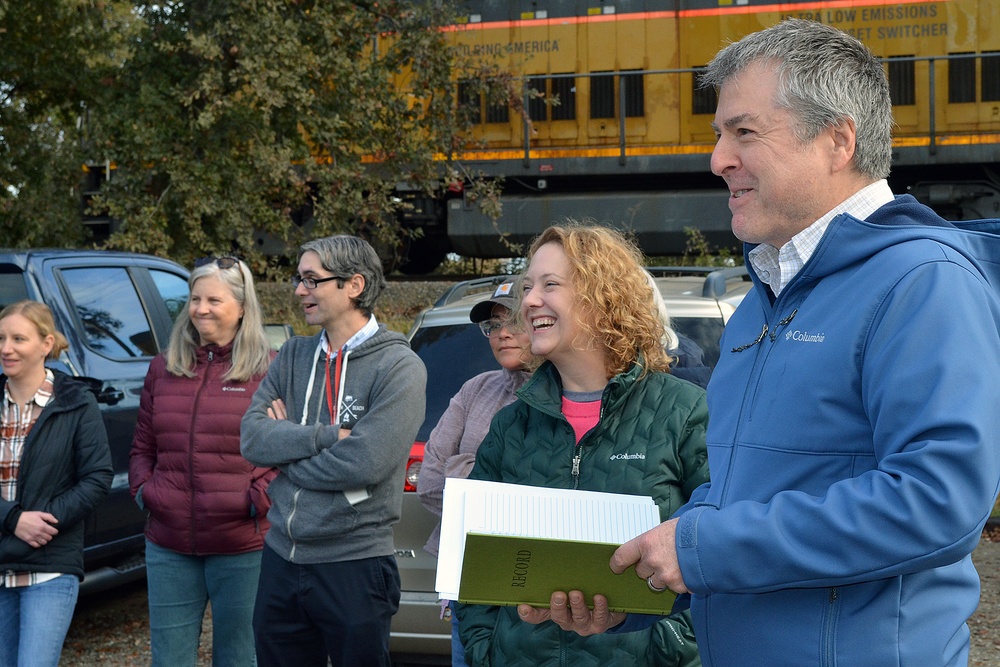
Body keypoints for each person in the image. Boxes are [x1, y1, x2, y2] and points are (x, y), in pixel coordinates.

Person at [601, 19, 1000, 667]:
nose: (718, 158)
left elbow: (938, 500)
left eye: (744, 131)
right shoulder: (759, 303)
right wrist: (638, 583)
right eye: (718, 135)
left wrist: (702, 546)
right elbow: (738, 501)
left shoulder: (923, 280)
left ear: (837, 139)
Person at [455, 224, 709, 666]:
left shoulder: (685, 412)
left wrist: (671, 645)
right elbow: (472, 562)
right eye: (527, 286)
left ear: (603, 297)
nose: (530, 300)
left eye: (550, 285)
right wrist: (486, 650)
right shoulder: (511, 425)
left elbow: (715, 544)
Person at [240, 235, 427, 667]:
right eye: (298, 279)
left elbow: (364, 463)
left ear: (354, 285)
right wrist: (324, 437)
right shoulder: (292, 354)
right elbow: (251, 439)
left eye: (311, 280)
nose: (299, 290)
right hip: (281, 558)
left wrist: (284, 451)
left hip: (355, 563)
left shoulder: (399, 366)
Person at [129, 256, 275, 666]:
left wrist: (257, 500)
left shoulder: (269, 369)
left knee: (239, 657)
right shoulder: (163, 367)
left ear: (243, 306)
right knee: (169, 658)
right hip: (169, 542)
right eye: (195, 298)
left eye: (214, 299)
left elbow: (287, 453)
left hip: (242, 544)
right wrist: (146, 492)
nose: (201, 309)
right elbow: (143, 446)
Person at [416, 278, 534, 666]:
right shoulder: (475, 390)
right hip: (468, 578)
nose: (502, 334)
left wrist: (463, 467)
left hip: (534, 583)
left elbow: (541, 498)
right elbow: (429, 484)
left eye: (513, 320)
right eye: (492, 326)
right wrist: (492, 480)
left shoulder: (566, 392)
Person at [0, 300, 113, 667]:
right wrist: (13, 519)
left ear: (46, 344)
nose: (6, 348)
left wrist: (44, 520)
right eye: (1, 338)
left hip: (51, 563)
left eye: (18, 338)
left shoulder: (77, 403)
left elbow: (97, 477)